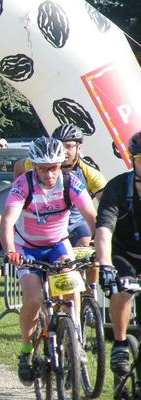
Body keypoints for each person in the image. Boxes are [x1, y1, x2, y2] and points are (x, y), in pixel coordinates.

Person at [0, 136, 97, 387]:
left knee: (70, 285)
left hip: (57, 245)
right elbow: (7, 221)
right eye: (42, 168)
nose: (49, 173)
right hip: (27, 248)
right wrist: (10, 250)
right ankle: (25, 350)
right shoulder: (24, 185)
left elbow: (91, 216)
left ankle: (73, 337)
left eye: (53, 167)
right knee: (34, 299)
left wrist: (98, 242)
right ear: (34, 166)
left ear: (60, 164)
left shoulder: (71, 183)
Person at [95, 130, 141, 377]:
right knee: (124, 288)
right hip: (122, 253)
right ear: (132, 161)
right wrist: (105, 266)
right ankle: (121, 343)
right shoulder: (117, 187)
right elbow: (103, 230)